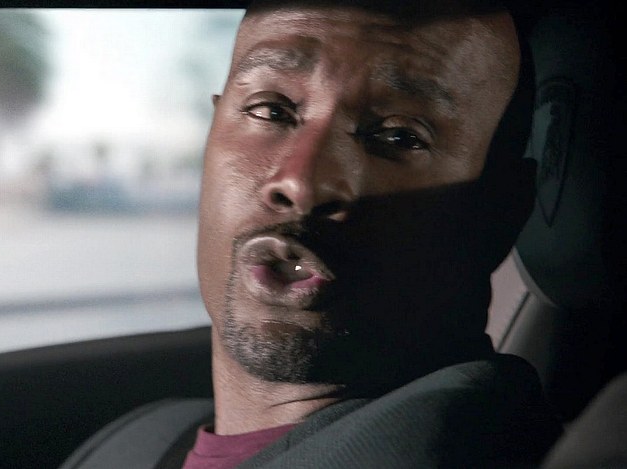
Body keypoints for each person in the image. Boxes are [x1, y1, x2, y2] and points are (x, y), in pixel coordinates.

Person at [63, 0, 563, 467]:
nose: (301, 183)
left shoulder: (454, 450)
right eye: (271, 110)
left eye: (398, 136)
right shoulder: (141, 439)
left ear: (499, 214)